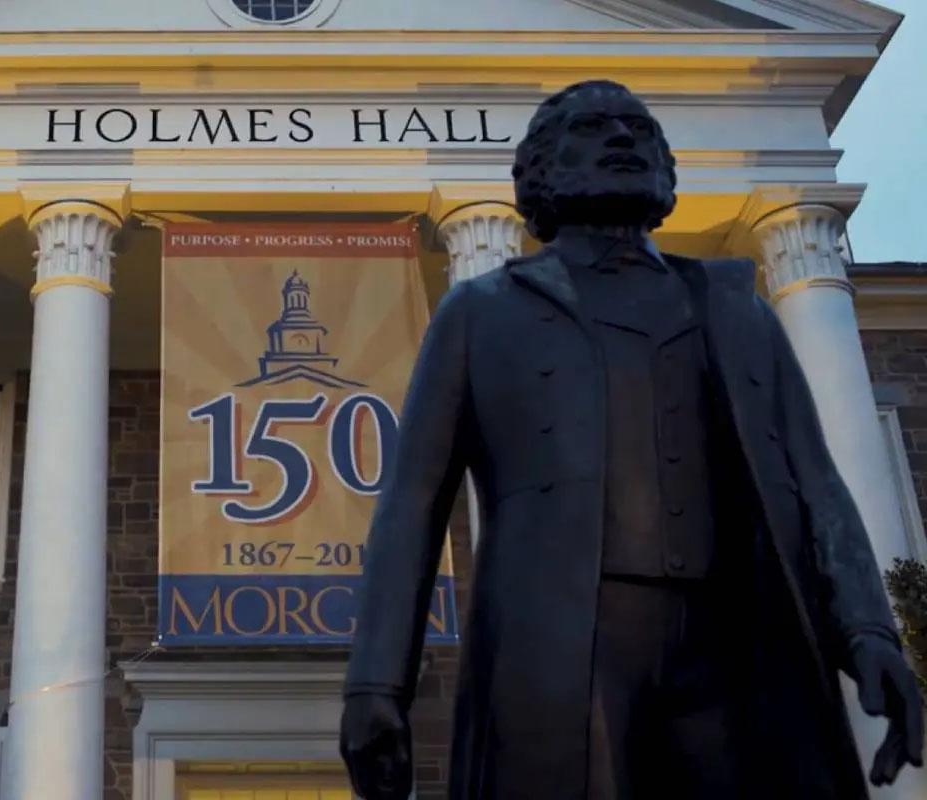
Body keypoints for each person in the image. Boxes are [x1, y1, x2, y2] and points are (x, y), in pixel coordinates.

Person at [339, 80, 924, 800]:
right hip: (562, 645)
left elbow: (818, 486)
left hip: (735, 642)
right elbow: (411, 504)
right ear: (543, 168)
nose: (624, 139)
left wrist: (869, 632)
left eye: (638, 129)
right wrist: (375, 681)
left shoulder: (736, 310)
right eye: (594, 128)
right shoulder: (482, 311)